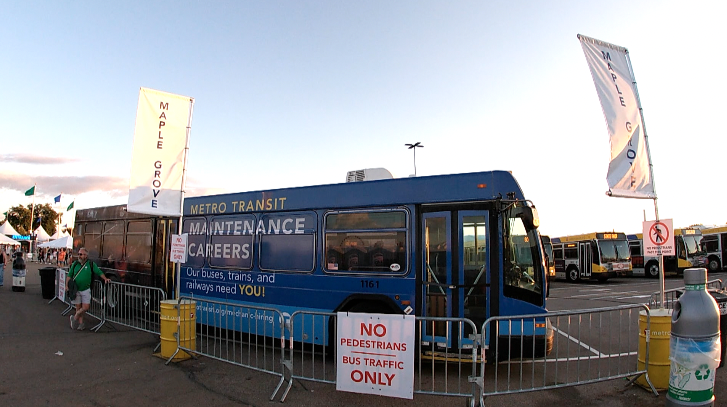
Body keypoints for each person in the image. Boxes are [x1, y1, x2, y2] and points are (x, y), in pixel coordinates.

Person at [67, 247, 111, 331]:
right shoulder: (75, 264)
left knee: (86, 307)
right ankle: (81, 324)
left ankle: (75, 317)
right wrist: (66, 285)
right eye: (78, 254)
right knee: (78, 307)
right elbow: (69, 275)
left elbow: (98, 272)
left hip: (86, 289)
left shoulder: (91, 264)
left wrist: (105, 278)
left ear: (86, 256)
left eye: (81, 254)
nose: (79, 256)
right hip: (76, 289)